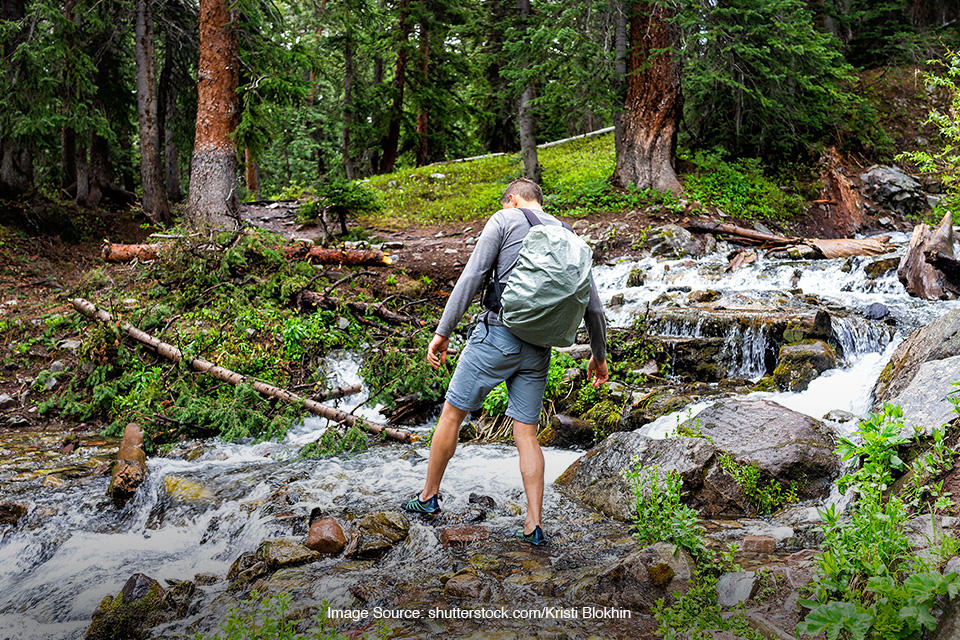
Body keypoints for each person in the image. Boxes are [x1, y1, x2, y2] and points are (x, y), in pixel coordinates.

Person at [401, 177, 609, 545]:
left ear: (512, 199)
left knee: (452, 413)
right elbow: (591, 304)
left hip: (496, 337)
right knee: (526, 434)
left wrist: (443, 330)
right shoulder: (570, 235)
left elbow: (473, 276)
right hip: (540, 347)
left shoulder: (504, 219)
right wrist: (598, 355)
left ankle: (428, 497)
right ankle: (534, 523)